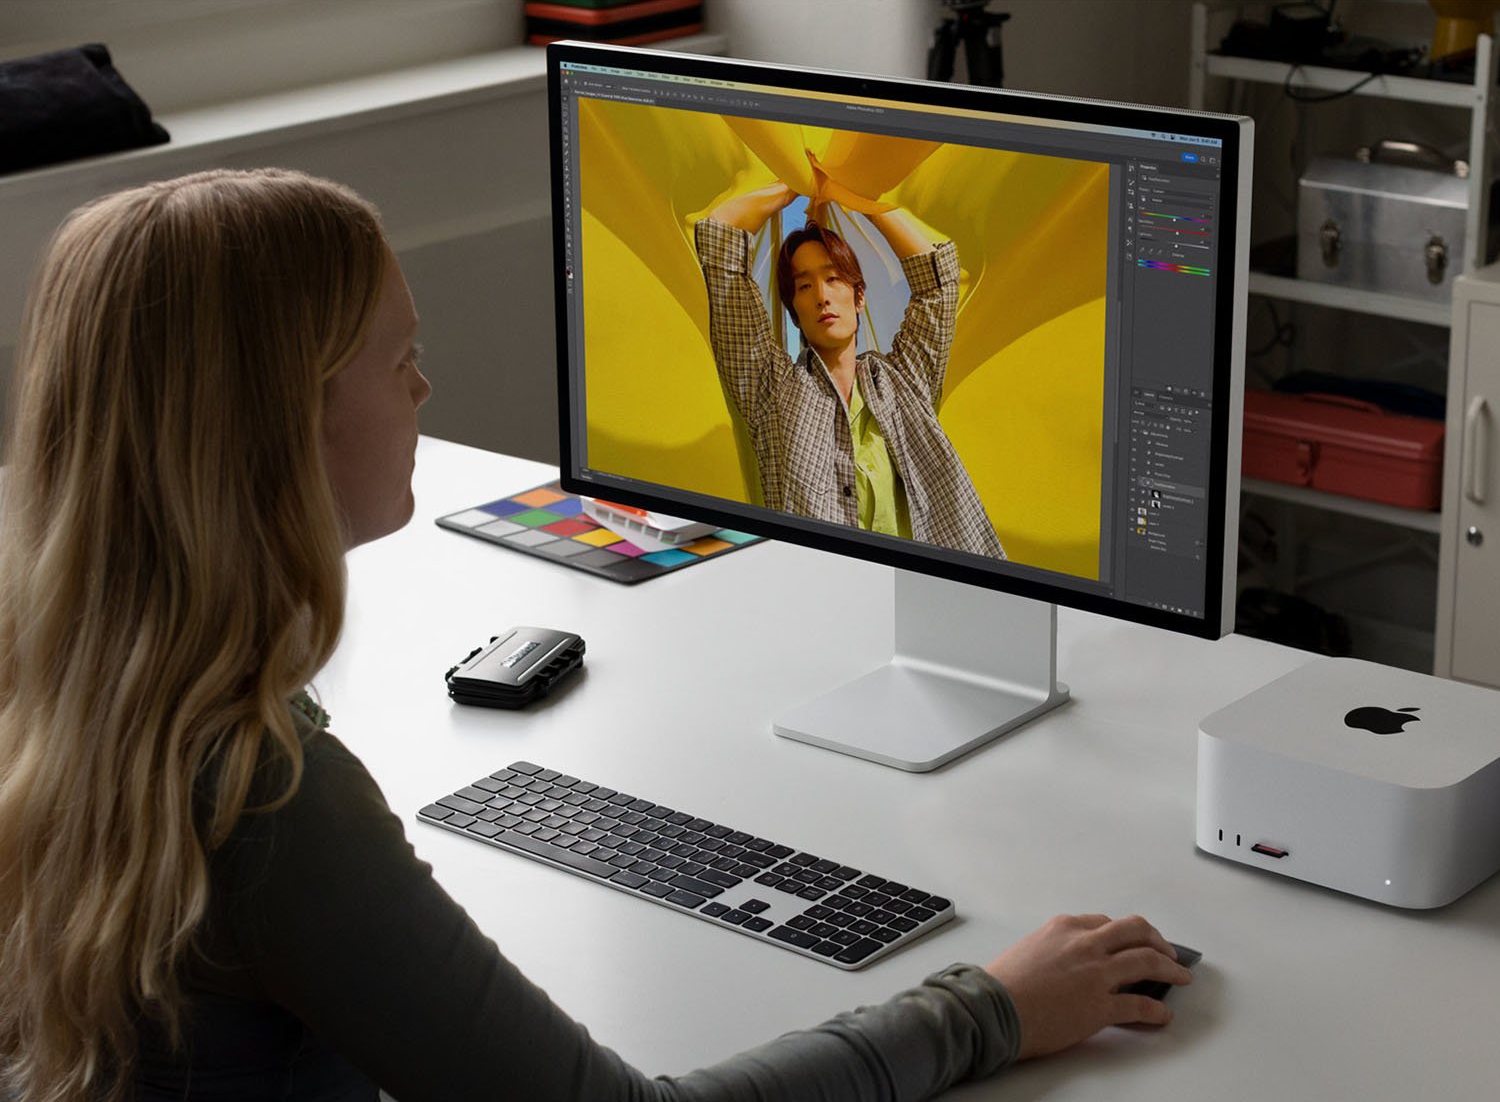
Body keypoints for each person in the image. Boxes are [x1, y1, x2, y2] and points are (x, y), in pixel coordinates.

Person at [0, 169, 1190, 1101]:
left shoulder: (59, 685)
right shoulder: (261, 799)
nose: (424, 392)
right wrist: (992, 1005)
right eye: (400, 360)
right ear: (282, 424)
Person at [695, 182, 1005, 558]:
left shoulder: (905, 378)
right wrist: (795, 183)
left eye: (833, 278)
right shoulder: (771, 389)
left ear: (859, 297)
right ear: (795, 312)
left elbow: (938, 283)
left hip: (938, 589)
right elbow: (721, 239)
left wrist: (860, 196)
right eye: (804, 285)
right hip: (825, 594)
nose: (822, 296)